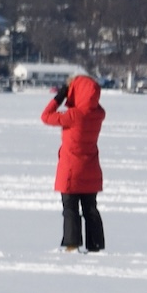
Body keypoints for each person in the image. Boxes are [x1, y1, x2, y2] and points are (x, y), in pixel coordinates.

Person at [40, 71, 108, 252]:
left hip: (71, 170)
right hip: (91, 169)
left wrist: (59, 97)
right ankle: (96, 245)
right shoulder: (98, 114)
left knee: (70, 209)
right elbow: (90, 101)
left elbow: (45, 116)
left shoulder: (74, 115)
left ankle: (72, 244)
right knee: (90, 209)